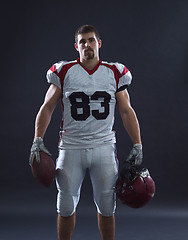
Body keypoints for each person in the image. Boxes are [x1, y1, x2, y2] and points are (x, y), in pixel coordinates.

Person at [29, 25, 143, 240]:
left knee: (107, 205)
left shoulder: (114, 72)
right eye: (82, 41)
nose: (87, 45)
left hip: (104, 147)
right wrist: (37, 139)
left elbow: (126, 111)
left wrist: (137, 143)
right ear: (76, 46)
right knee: (65, 205)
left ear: (99, 43)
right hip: (71, 147)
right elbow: (47, 107)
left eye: (91, 40)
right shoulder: (63, 72)